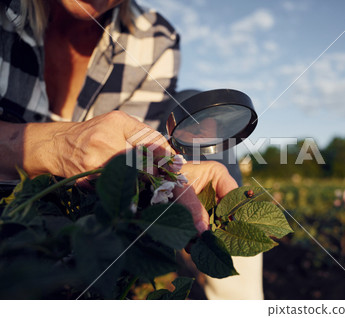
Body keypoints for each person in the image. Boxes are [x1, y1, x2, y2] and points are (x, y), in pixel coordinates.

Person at [0, 0, 263, 299]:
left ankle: (238, 299)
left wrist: (157, 175)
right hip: (17, 198)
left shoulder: (154, 37)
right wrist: (55, 145)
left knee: (201, 125)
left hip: (89, 204)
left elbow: (135, 151)